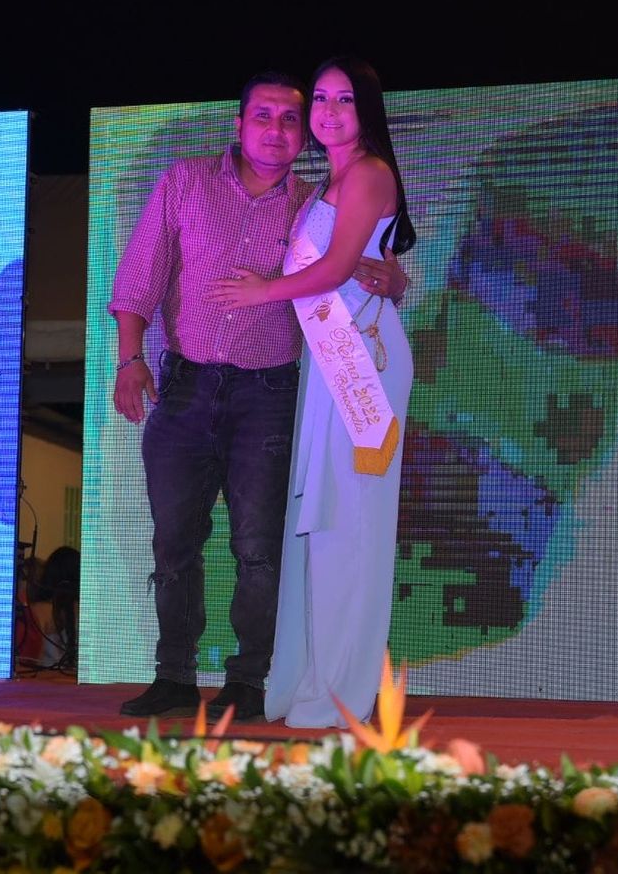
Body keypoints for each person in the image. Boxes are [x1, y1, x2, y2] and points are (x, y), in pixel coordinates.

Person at [109, 72, 406, 721]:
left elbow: (360, 257)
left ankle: (249, 681)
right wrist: (129, 359)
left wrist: (393, 277)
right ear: (239, 123)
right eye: (263, 116)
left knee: (260, 548)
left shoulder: (313, 202)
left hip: (269, 395)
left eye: (289, 119)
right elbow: (138, 276)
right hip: (184, 388)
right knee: (173, 543)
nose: (276, 129)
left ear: (303, 135)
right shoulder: (185, 182)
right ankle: (173, 676)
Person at [208, 57, 416, 727]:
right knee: (318, 524)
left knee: (349, 525)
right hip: (329, 364)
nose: (328, 112)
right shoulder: (328, 181)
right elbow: (361, 265)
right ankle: (307, 677)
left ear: (367, 108)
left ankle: (342, 688)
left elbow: (333, 268)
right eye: (320, 99)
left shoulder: (370, 173)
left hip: (362, 364)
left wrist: (261, 291)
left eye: (343, 100)